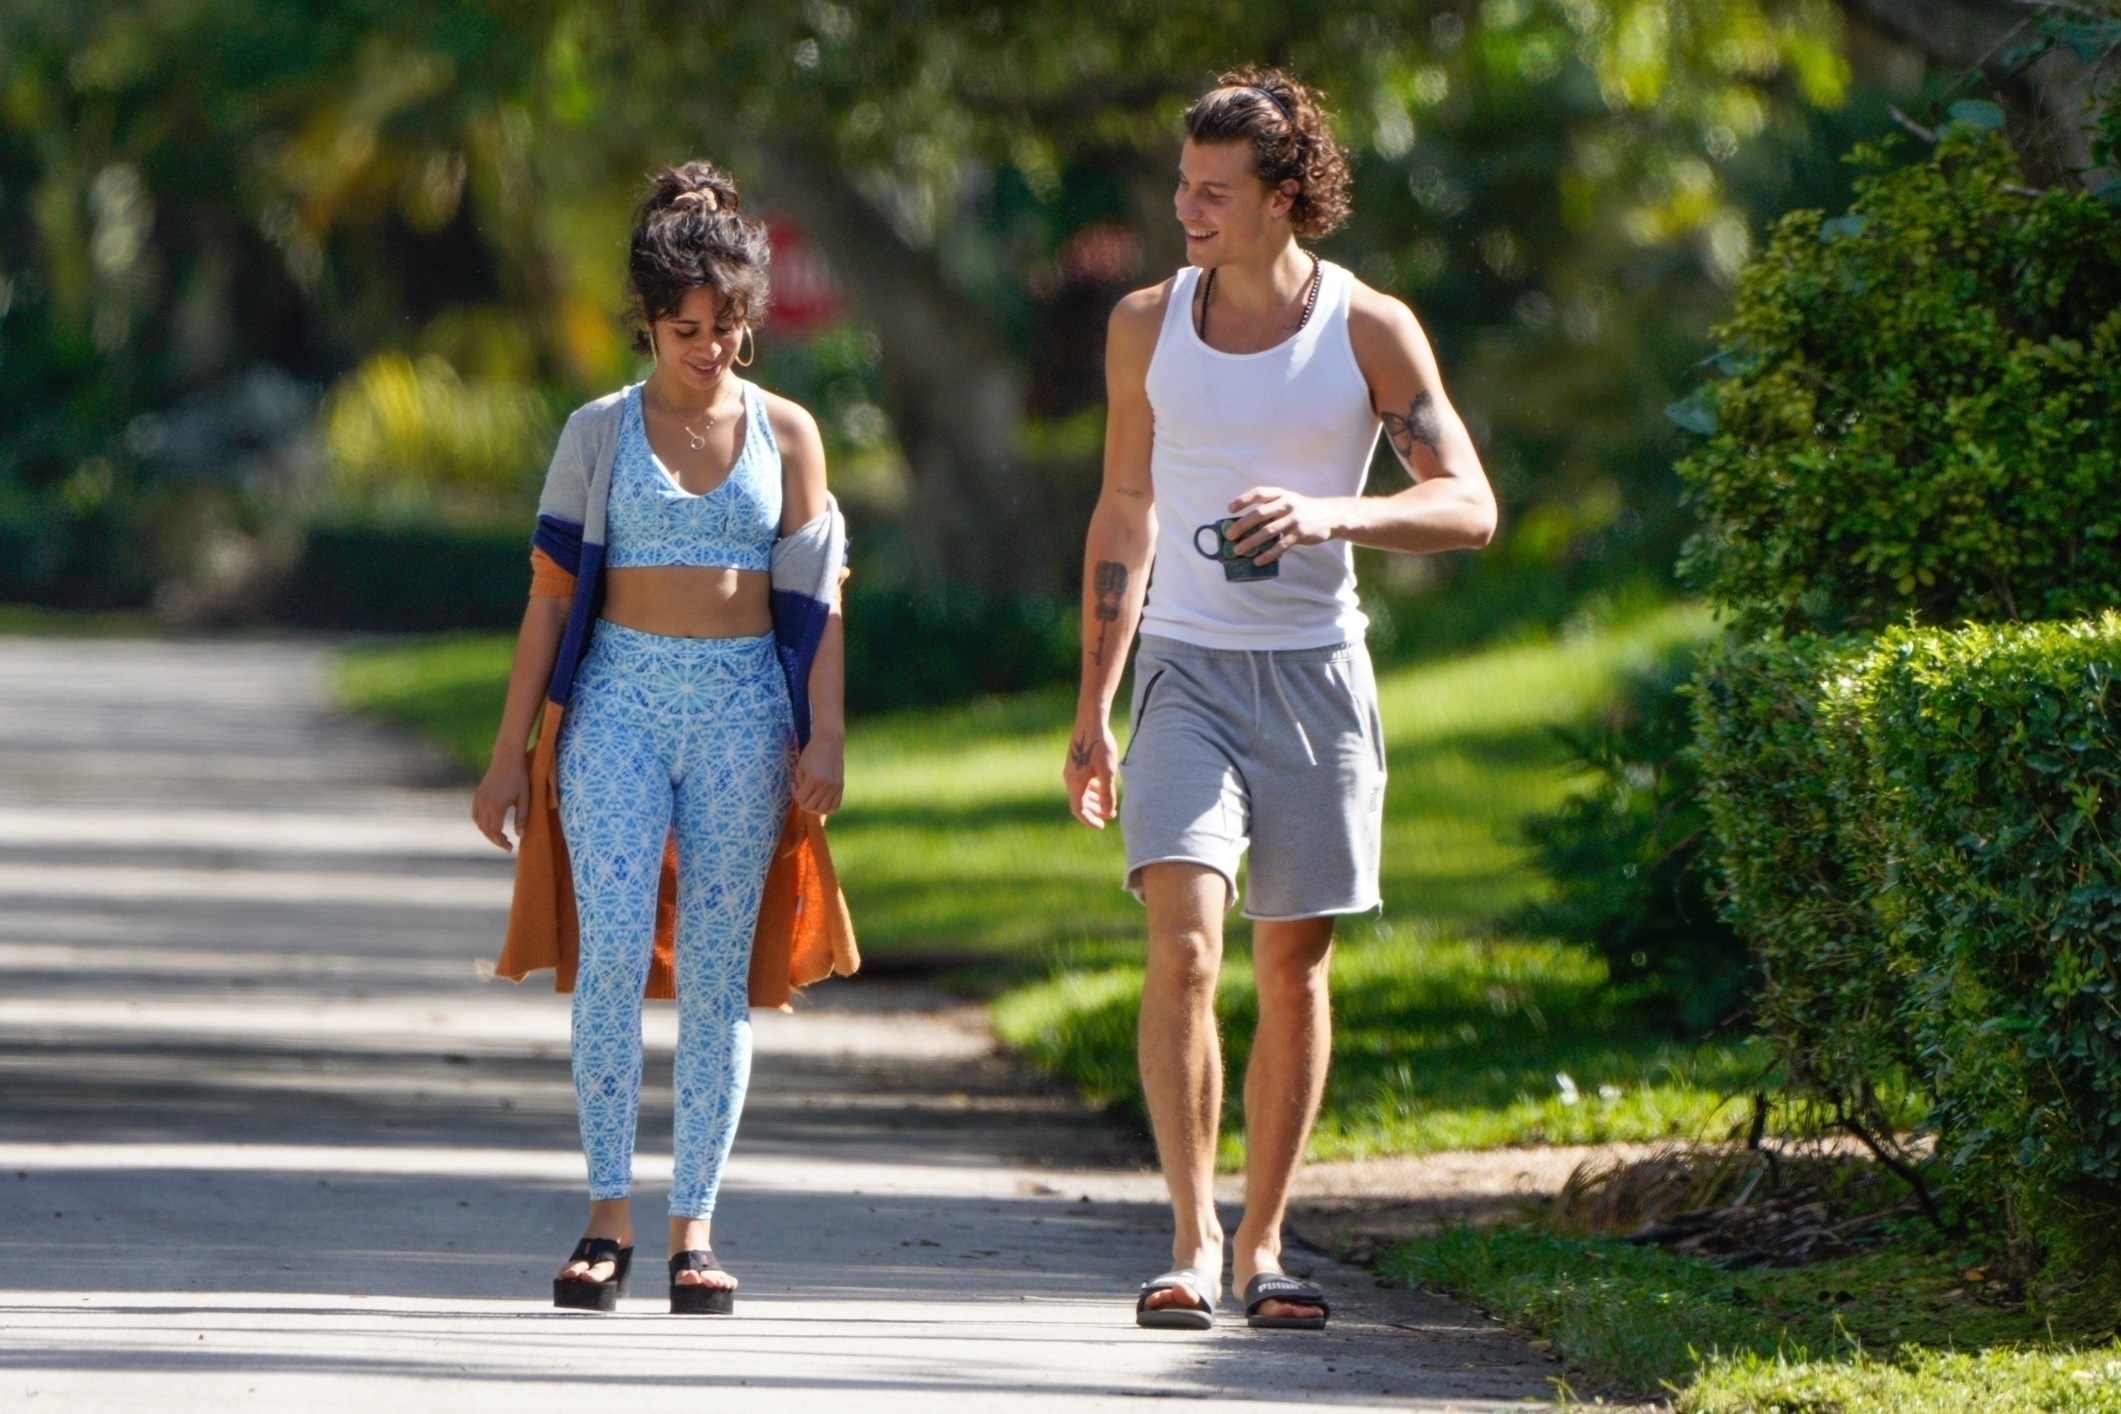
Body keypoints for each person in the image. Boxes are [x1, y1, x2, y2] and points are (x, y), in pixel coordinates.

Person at [1063, 68, 1497, 1332]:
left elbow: (1469, 504)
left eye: (1214, 191)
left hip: (1316, 675)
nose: (1186, 210)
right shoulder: (1145, 324)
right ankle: (1190, 1239)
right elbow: (1126, 509)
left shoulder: (1368, 330)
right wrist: (1094, 706)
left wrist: (1328, 513)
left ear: (1285, 197)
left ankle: (1265, 1240)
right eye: (1182, 186)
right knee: (1184, 943)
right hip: (1183, 670)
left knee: (1292, 963)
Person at [471, 160, 851, 1316]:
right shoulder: (597, 432)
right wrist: (507, 755)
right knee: (615, 958)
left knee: (718, 976)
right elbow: (549, 600)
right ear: (648, 320)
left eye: (727, 327)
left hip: (745, 713)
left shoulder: (788, 432)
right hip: (618, 710)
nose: (709, 348)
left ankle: (695, 1229)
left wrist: (826, 733)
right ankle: (605, 1219)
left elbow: (822, 598)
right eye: (686, 328)